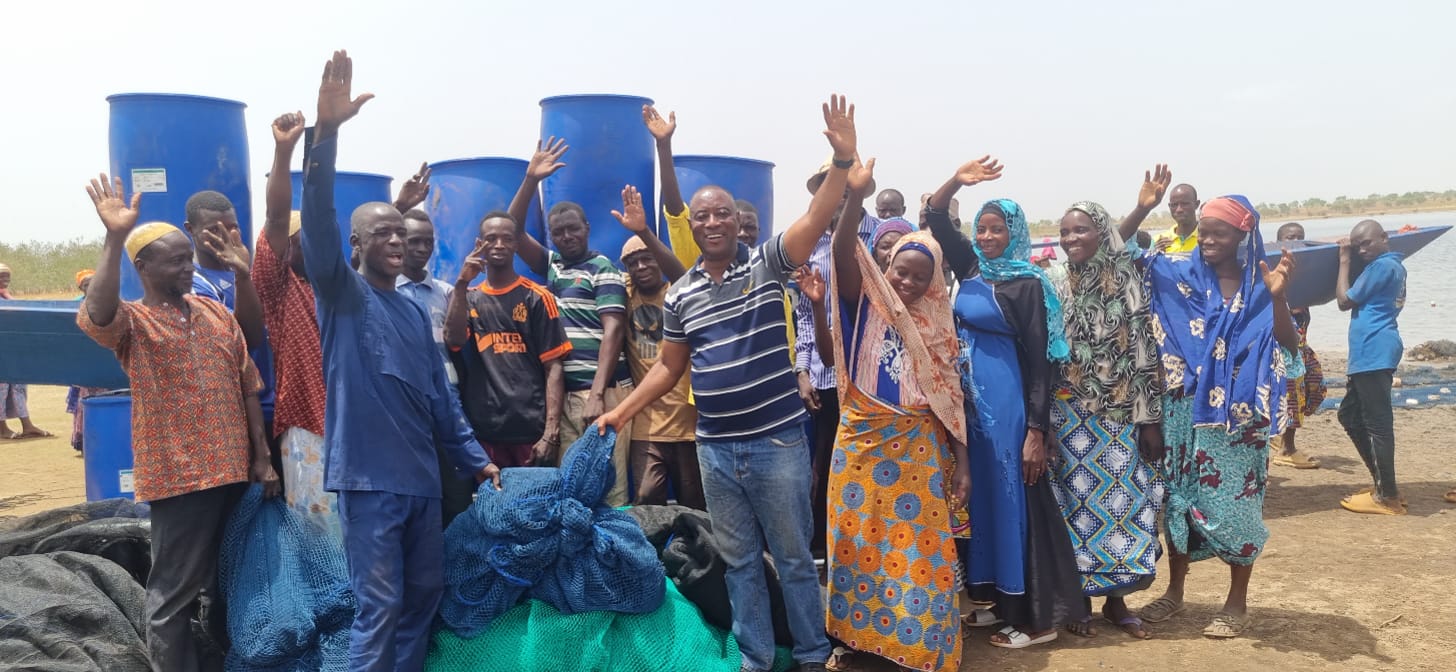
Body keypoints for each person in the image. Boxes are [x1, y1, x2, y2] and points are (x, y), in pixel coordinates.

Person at [597, 93, 861, 672]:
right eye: (703, 217)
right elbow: (670, 367)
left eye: (721, 215)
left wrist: (842, 162)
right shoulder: (683, 292)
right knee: (740, 560)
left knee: (792, 558)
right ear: (693, 226)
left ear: (736, 222)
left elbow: (818, 218)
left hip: (776, 442)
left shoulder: (768, 262)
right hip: (715, 448)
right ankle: (756, 657)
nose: (713, 223)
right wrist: (620, 413)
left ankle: (814, 655)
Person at [300, 50, 500, 672]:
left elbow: (443, 403)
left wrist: (476, 461)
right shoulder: (341, 295)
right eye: (380, 233)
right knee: (378, 603)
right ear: (356, 245)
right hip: (367, 481)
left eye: (400, 232)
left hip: (420, 482)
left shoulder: (417, 312)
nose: (393, 240)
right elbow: (314, 225)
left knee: (422, 595)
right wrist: (325, 135)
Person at [77, 174, 279, 671]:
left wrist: (262, 457)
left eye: (189, 258)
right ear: (143, 267)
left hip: (234, 471)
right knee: (173, 593)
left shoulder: (214, 314)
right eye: (177, 260)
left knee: (228, 580)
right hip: (182, 477)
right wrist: (114, 237)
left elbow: (249, 385)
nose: (189, 267)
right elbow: (97, 314)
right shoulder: (133, 323)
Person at [925, 156, 1087, 650]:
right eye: (983, 228)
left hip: (1008, 411)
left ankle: (1037, 618)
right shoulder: (971, 266)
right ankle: (998, 602)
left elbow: (1041, 364)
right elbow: (933, 214)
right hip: (970, 411)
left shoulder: (1027, 284)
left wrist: (1036, 432)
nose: (989, 237)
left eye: (998, 229)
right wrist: (957, 178)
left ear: (1014, 232)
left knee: (1017, 504)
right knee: (985, 505)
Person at [818, 153, 970, 672]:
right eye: (900, 270)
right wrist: (854, 195)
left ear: (932, 282)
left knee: (921, 555)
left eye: (918, 275)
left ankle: (918, 646)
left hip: (917, 450)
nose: (905, 281)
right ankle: (863, 645)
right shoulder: (866, 303)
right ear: (887, 268)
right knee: (858, 545)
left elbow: (951, 403)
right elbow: (843, 249)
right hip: (860, 444)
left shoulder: (939, 329)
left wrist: (964, 466)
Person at [1135, 195, 1301, 639]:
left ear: (1243, 236)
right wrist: (1139, 208)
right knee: (1178, 501)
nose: (1206, 239)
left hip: (1238, 421)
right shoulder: (1176, 276)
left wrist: (1278, 298)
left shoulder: (1261, 284)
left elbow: (1289, 347)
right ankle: (1175, 591)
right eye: (1203, 230)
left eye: (1218, 233)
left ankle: (1236, 603)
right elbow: (1120, 256)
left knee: (1238, 507)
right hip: (1181, 411)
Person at [1046, 197, 1167, 641]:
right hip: (1067, 415)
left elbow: (1143, 352)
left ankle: (1117, 601)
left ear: (1102, 233)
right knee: (1075, 508)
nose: (1070, 239)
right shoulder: (1053, 281)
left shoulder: (1126, 280)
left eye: (1080, 230)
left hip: (1117, 415)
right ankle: (1080, 599)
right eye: (1064, 232)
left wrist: (1150, 421)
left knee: (1124, 506)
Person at [506, 138, 633, 506]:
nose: (566, 237)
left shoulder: (603, 268)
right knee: (572, 488)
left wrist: (596, 393)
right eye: (559, 232)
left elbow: (614, 330)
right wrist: (530, 180)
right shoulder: (554, 266)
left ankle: (618, 559)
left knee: (610, 488)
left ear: (587, 227)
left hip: (603, 393)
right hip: (565, 395)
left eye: (573, 229)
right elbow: (510, 232)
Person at [795, 150, 884, 562]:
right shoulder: (809, 244)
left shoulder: (881, 236)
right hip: (827, 376)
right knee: (825, 462)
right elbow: (806, 317)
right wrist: (803, 371)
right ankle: (825, 548)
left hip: (873, 375)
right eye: (828, 190)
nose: (837, 198)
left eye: (846, 190)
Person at [253, 110, 337, 538]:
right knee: (318, 533)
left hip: (354, 427)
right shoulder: (280, 288)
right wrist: (284, 151)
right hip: (310, 428)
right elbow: (275, 216)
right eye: (304, 237)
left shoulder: (338, 289)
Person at [444, 211, 570, 471]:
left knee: (534, 508)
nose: (499, 245)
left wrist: (550, 432)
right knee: (493, 509)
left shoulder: (536, 297)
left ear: (515, 244)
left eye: (506, 238)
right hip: (486, 432)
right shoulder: (469, 297)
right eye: (491, 239)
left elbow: (554, 367)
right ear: (480, 245)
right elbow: (454, 341)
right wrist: (460, 283)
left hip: (531, 432)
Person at [608, 185, 705, 509]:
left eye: (646, 258)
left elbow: (685, 274)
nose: (640, 267)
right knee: (647, 501)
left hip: (688, 424)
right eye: (632, 263)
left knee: (694, 506)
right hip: (646, 425)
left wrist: (645, 232)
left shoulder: (678, 292)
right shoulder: (626, 294)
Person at [182, 189, 281, 492]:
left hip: (276, 410)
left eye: (233, 226)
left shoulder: (253, 271)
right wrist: (242, 276)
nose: (226, 235)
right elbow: (246, 338)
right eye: (214, 229)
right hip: (237, 420)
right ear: (191, 230)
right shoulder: (193, 285)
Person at [394, 202, 483, 525]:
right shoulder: (383, 292)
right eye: (412, 240)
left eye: (427, 241)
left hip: (446, 404)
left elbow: (457, 339)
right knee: (413, 494)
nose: (420, 248)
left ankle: (454, 567)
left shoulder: (445, 292)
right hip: (402, 406)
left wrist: (460, 286)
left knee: (456, 494)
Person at [1335, 219, 1406, 515]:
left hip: (1374, 352)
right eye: (1357, 245)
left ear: (1384, 238)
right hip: (1371, 353)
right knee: (1349, 415)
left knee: (1377, 426)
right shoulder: (1390, 266)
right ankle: (1383, 485)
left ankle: (1387, 496)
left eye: (1367, 243)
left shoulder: (1382, 267)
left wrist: (1343, 260)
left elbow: (1342, 300)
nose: (1362, 249)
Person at [1270, 222, 1326, 470]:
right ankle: (1287, 448)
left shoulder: (1303, 273)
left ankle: (1279, 436)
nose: (1295, 241)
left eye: (1300, 238)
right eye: (1289, 237)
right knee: (1293, 397)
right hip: (1284, 350)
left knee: (1316, 388)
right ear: (1278, 241)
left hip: (1301, 345)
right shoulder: (1274, 272)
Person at [0, 263, 55, 441]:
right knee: (1, 389)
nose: (5, 280)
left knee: (18, 387)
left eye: (7, 276)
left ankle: (27, 425)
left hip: (13, 350)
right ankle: (2, 428)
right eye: (2, 276)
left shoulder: (7, 297)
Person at [65, 269, 106, 453]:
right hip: (83, 359)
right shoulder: (74, 306)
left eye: (94, 283)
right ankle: (84, 443)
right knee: (84, 401)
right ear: (80, 287)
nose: (91, 287)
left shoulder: (108, 303)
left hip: (102, 357)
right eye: (87, 285)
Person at [1156, 183, 1201, 253]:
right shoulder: (1159, 241)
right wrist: (1155, 255)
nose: (1179, 209)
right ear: (1169, 206)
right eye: (1174, 205)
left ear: (1196, 204)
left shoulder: (1206, 239)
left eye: (1185, 204)